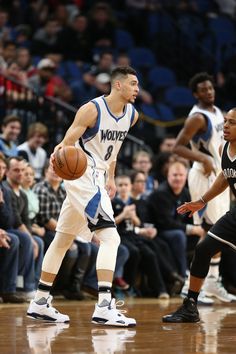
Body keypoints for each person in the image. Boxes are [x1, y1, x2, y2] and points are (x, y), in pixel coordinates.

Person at [27, 66, 139, 326]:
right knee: (111, 238)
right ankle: (103, 305)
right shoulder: (92, 109)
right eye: (133, 84)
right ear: (118, 85)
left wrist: (110, 176)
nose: (137, 89)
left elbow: (114, 149)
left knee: (62, 239)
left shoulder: (132, 115)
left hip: (98, 176)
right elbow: (66, 144)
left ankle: (40, 301)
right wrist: (59, 157)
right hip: (82, 174)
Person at [162, 107, 236, 323]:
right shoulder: (223, 148)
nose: (226, 127)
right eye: (225, 122)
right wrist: (201, 200)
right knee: (203, 249)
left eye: (232, 123)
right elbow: (225, 176)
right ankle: (190, 306)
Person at [172, 72, 232, 302]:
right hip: (204, 176)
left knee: (218, 231)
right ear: (195, 94)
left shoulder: (217, 111)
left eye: (211, 88)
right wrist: (203, 159)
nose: (209, 92)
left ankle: (213, 281)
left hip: (219, 174)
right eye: (204, 90)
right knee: (210, 232)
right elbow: (177, 147)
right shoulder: (196, 118)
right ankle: (190, 286)